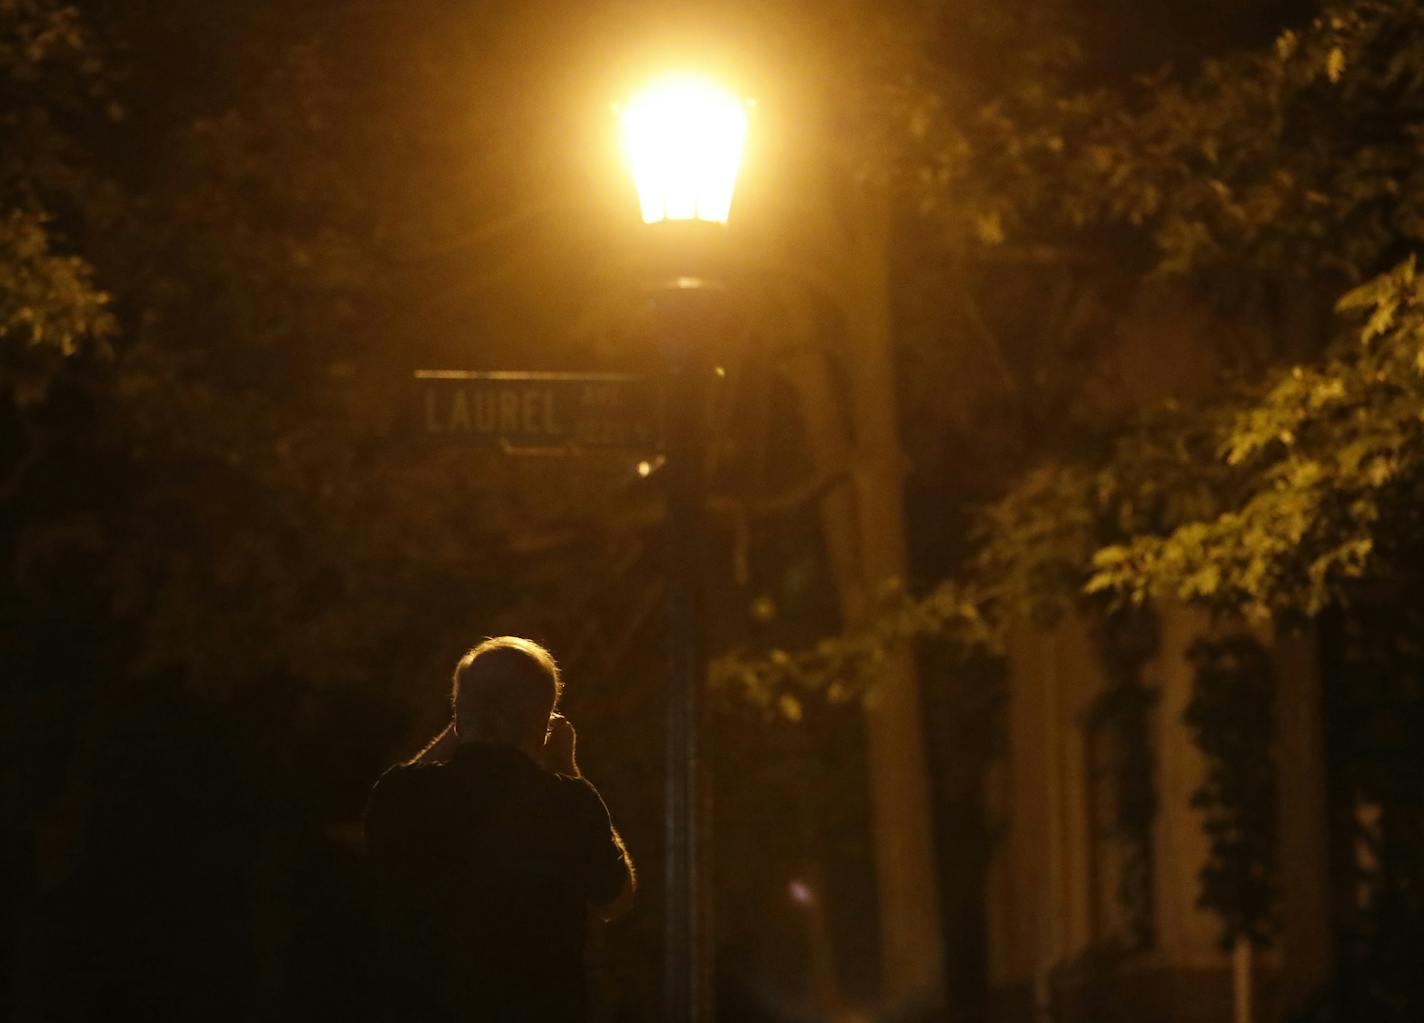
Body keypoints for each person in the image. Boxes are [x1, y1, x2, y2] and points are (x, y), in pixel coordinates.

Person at [364, 637, 635, 1022]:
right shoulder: (568, 803)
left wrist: (462, 728)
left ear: (459, 713)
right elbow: (616, 900)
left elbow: (380, 828)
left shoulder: (403, 795)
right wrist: (568, 765)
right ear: (544, 722)